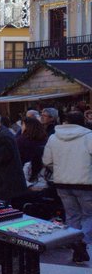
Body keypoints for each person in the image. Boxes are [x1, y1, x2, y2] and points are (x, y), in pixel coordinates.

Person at [42, 110, 92, 263]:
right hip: (86, 182)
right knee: (89, 215)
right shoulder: (88, 136)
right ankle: (82, 241)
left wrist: (59, 169)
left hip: (62, 182)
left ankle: (75, 244)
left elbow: (47, 160)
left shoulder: (53, 137)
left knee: (71, 215)